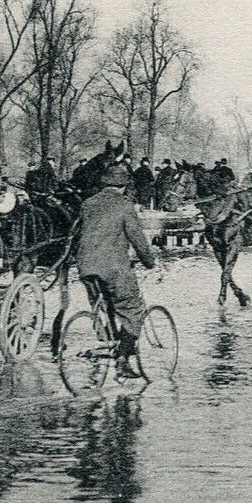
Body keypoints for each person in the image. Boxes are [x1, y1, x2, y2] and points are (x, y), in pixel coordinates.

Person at [74, 163, 160, 380]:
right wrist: (150, 262)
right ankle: (122, 360)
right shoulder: (125, 205)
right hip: (112, 267)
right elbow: (137, 239)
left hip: (86, 267)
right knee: (134, 309)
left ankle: (108, 339)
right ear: (123, 186)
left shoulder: (87, 203)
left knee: (105, 304)